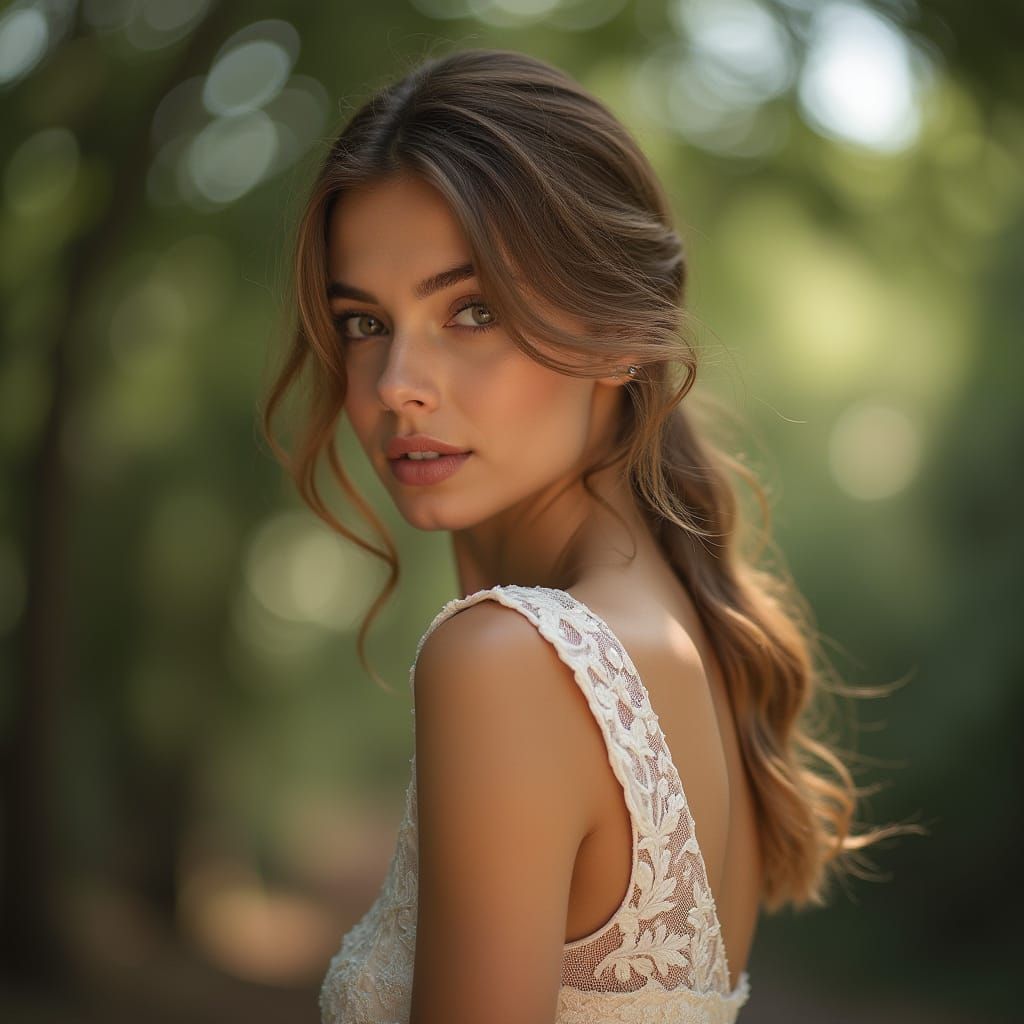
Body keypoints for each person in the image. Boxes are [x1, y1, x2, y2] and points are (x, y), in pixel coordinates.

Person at [261, 46, 911, 1024]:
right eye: (363, 322)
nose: (397, 380)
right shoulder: (695, 639)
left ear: (618, 332)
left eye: (470, 309)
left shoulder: (507, 661)